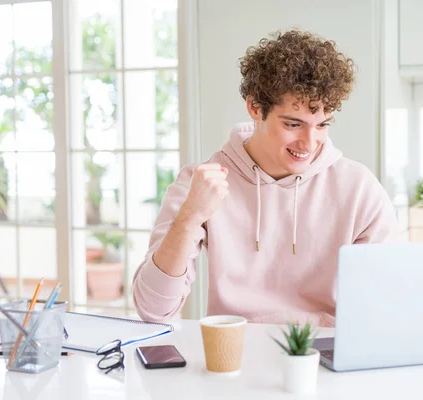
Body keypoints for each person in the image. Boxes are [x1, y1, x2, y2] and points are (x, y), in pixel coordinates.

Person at [132, 29, 401, 326]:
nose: (310, 143)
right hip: (234, 354)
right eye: (293, 124)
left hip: (324, 357)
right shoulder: (203, 182)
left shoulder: (359, 189)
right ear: (255, 108)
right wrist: (189, 217)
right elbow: (153, 310)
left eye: (322, 125)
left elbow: (387, 303)